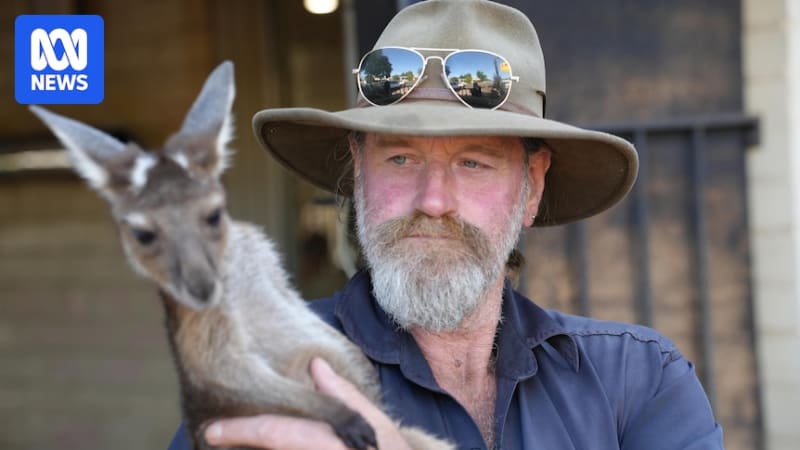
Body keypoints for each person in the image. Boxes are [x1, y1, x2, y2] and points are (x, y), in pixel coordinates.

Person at [168, 1, 723, 448]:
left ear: (533, 185)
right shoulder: (268, 377)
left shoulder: (639, 380)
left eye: (474, 162)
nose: (434, 201)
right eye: (400, 159)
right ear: (358, 172)